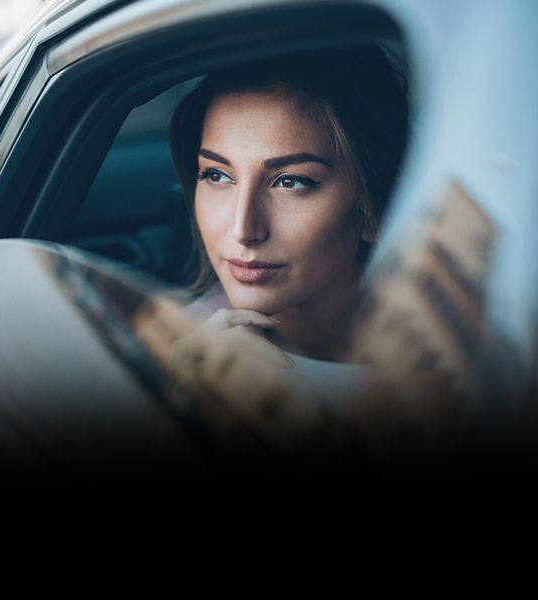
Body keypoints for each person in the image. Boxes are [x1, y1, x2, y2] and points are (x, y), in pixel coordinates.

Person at [166, 45, 409, 416]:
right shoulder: (169, 365)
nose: (243, 229)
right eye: (216, 175)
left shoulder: (471, 359)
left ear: (374, 208)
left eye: (291, 181)